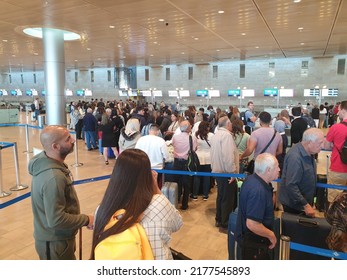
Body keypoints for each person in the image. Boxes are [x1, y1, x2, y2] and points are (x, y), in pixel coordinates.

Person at [90, 149, 182, 260]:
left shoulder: (102, 210)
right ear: (147, 175)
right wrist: (156, 189)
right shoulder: (159, 204)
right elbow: (178, 223)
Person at [28, 125, 94, 260]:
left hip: (58, 239)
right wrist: (86, 220)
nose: (74, 140)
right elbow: (56, 219)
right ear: (55, 146)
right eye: (68, 139)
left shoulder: (47, 161)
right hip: (55, 243)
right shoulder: (54, 178)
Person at [235, 153, 280, 260]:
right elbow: (252, 224)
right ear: (268, 170)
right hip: (254, 244)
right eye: (277, 167)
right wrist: (271, 235)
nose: (279, 169)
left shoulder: (252, 179)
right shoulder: (258, 190)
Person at [279, 128, 324, 217]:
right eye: (320, 143)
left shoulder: (309, 152)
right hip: (294, 206)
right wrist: (306, 205)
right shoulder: (295, 158)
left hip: (303, 203)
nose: (322, 146)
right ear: (309, 143)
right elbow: (291, 185)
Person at [210, 116, 239, 230]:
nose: (231, 125)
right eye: (230, 123)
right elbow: (227, 156)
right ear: (227, 124)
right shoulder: (226, 136)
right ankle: (225, 222)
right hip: (225, 172)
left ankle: (219, 219)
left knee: (221, 196)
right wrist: (232, 173)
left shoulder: (216, 134)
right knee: (227, 198)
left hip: (217, 170)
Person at [324, 100, 347, 203]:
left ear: (343, 110)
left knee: (334, 200)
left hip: (338, 167)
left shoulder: (336, 127)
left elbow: (326, 146)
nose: (337, 113)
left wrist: (335, 145)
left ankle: (335, 219)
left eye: (339, 110)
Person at [172, 120, 195, 210]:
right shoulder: (192, 138)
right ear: (188, 128)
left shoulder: (175, 137)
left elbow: (173, 145)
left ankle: (176, 201)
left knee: (176, 183)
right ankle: (184, 204)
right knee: (187, 184)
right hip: (187, 163)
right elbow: (194, 149)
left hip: (177, 162)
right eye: (190, 125)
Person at [191, 121, 214, 201]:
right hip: (209, 158)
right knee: (207, 176)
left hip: (198, 157)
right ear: (207, 127)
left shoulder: (195, 135)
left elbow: (193, 148)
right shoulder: (211, 135)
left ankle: (194, 195)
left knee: (197, 176)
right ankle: (205, 195)